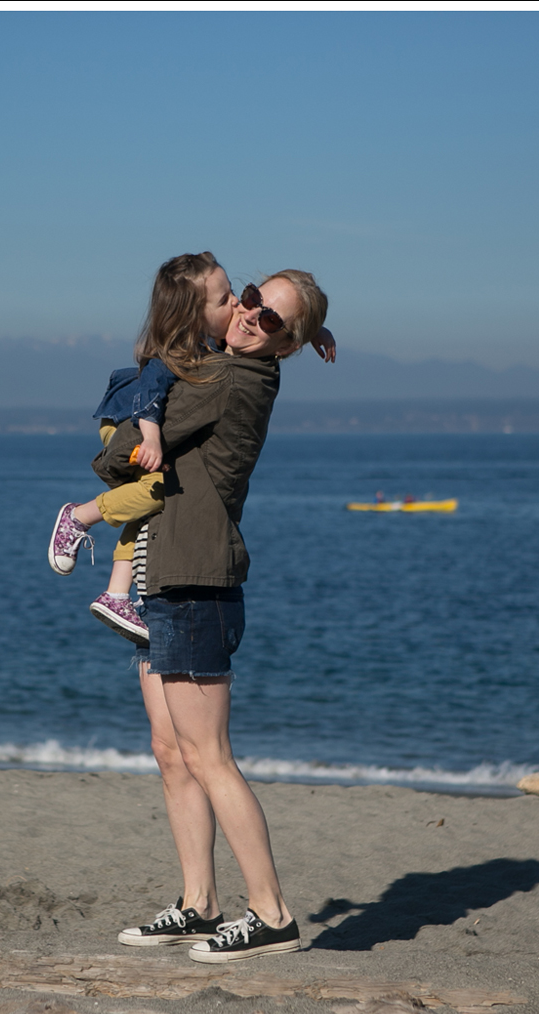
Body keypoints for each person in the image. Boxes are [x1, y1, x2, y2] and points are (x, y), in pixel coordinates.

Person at [117, 268, 328, 962]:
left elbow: (123, 451)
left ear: (286, 344)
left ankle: (271, 915)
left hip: (198, 584)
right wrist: (309, 326)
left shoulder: (229, 380)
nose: (250, 315)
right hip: (166, 574)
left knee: (208, 757)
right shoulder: (232, 360)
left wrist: (131, 406)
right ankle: (199, 904)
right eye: (250, 300)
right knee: (171, 751)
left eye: (272, 320)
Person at [47, 253, 335, 643]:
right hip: (130, 419)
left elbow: (275, 332)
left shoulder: (223, 345)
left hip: (168, 559)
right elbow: (147, 404)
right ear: (195, 314)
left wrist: (315, 330)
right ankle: (78, 517)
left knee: (148, 504)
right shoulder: (187, 351)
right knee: (153, 490)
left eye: (241, 294)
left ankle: (117, 593)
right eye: (243, 298)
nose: (241, 307)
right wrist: (143, 442)